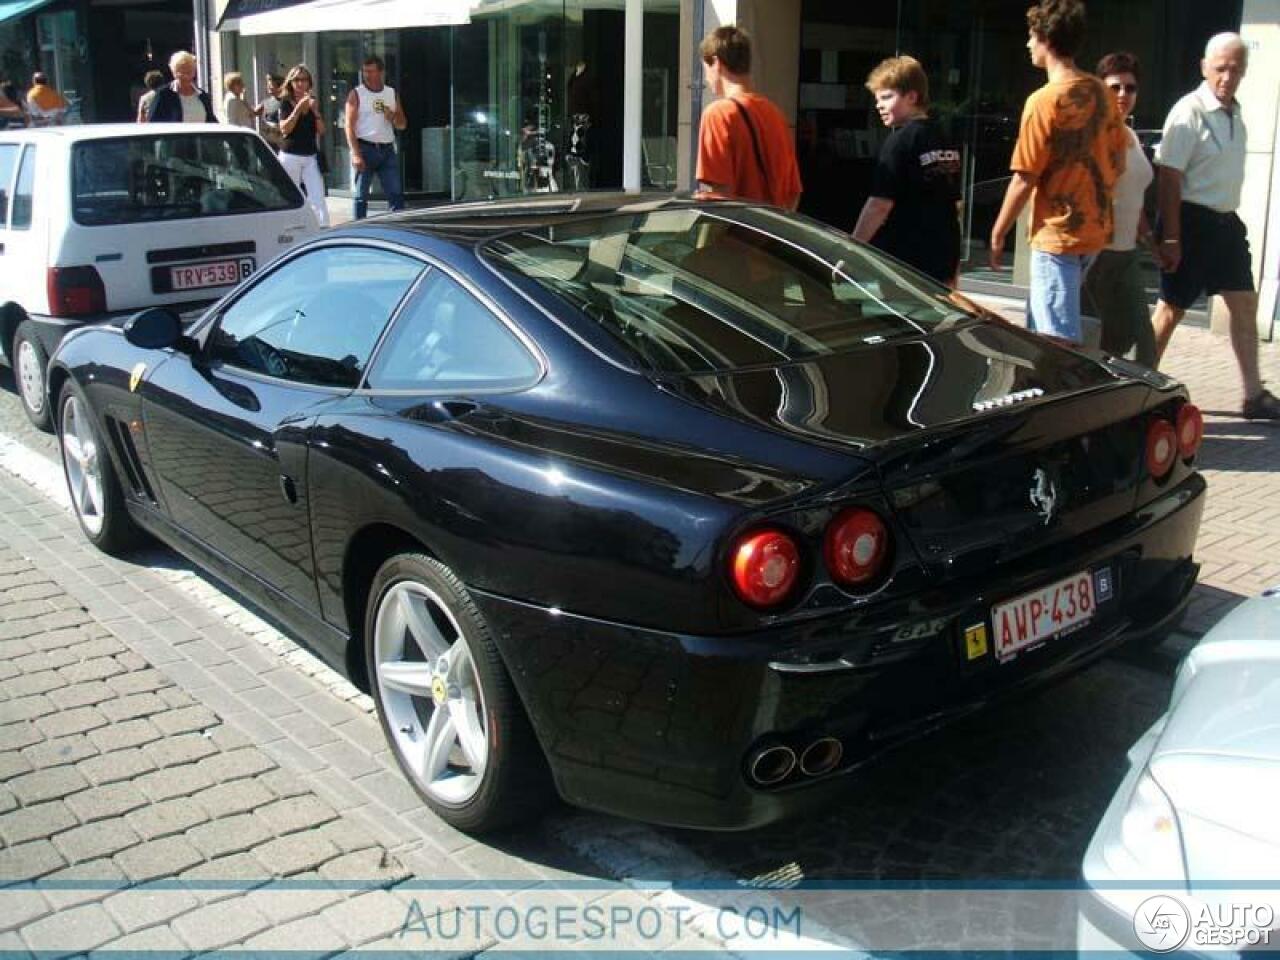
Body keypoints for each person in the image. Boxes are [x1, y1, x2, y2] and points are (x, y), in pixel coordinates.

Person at [1149, 33, 1279, 419]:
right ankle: (1138, 388)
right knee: (1170, 312)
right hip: (1189, 221)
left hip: (1226, 225)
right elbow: (1169, 178)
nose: (1227, 76)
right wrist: (1171, 236)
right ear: (1204, 67)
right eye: (1220, 68)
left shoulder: (1235, 113)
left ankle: (1253, 395)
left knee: (1244, 304)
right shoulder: (1188, 111)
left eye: (1235, 69)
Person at [989, 0, 1127, 345]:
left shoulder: (1044, 100)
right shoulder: (1103, 94)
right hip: (1093, 231)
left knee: (1058, 341)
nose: (1027, 44)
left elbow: (1025, 176)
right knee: (1044, 327)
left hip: (1058, 234)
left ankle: (1069, 392)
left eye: (1031, 36)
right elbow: (1118, 161)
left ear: (1046, 39)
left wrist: (998, 231)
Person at [852, 55, 962, 287]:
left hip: (905, 261)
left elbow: (879, 205)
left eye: (886, 97)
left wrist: (853, 247)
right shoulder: (944, 137)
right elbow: (954, 205)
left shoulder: (900, 142)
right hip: (943, 256)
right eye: (877, 99)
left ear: (912, 97)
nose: (878, 105)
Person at [1080, 52, 1156, 366]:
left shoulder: (1130, 136)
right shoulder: (1095, 134)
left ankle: (1142, 405)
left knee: (1141, 339)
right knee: (1100, 344)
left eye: (1130, 87)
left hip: (1127, 254)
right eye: (1115, 87)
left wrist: (1150, 238)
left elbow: (1132, 196)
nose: (1123, 94)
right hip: (1099, 256)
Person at [695, 25, 802, 210]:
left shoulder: (718, 114)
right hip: (774, 232)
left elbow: (721, 195)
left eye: (705, 69)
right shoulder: (775, 114)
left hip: (737, 235)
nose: (706, 79)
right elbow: (793, 192)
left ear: (716, 63)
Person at [345, 55, 406, 220]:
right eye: (365, 71)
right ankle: (359, 228)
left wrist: (393, 117)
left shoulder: (391, 93)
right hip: (365, 147)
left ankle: (399, 226)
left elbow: (402, 124)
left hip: (386, 149)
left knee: (395, 192)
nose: (367, 75)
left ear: (381, 72)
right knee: (361, 195)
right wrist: (356, 153)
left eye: (371, 71)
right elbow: (349, 125)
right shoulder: (356, 94)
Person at [277, 64, 329, 228]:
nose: (300, 83)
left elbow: (321, 131)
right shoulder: (285, 103)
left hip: (310, 155)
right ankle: (287, 227)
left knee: (317, 196)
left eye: (304, 80)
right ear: (291, 83)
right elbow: (285, 129)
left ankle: (322, 228)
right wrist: (298, 109)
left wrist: (316, 112)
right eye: (297, 80)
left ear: (309, 83)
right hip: (290, 155)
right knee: (290, 194)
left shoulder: (312, 102)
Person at [143, 51, 215, 123]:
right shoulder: (163, 95)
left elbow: (212, 122)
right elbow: (153, 123)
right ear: (174, 72)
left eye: (189, 72)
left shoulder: (202, 96)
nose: (186, 76)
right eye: (182, 72)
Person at [256, 73, 286, 147]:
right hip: (268, 142)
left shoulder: (286, 103)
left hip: (282, 143)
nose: (268, 87)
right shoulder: (266, 102)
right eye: (268, 85)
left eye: (271, 85)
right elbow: (253, 112)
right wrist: (243, 101)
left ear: (280, 87)